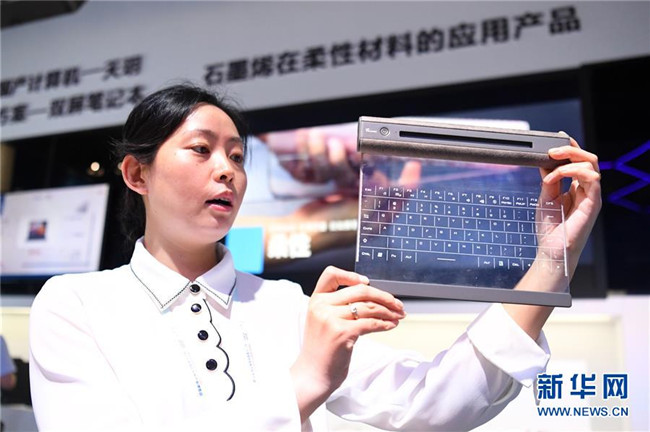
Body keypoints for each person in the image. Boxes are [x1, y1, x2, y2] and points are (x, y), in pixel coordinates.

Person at [29, 83, 601, 431]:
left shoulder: (288, 306)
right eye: (201, 150)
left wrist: (553, 260)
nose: (227, 170)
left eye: (237, 156)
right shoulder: (76, 304)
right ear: (137, 173)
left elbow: (432, 405)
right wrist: (306, 379)